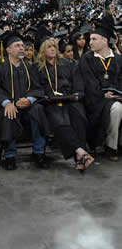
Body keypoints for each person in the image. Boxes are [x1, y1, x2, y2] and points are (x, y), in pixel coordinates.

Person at [0, 31, 49, 170]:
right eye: (17, 46)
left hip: (27, 107)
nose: (22, 48)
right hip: (7, 106)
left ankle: (39, 152)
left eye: (22, 45)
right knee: (8, 113)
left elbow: (37, 87)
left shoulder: (30, 67)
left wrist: (30, 99)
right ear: (8, 50)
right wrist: (7, 102)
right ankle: (10, 155)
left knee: (38, 109)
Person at [35, 36, 93, 172]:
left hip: (69, 99)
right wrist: (45, 97)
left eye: (54, 47)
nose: (52, 49)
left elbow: (77, 82)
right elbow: (35, 87)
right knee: (59, 120)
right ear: (43, 50)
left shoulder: (67, 64)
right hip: (50, 103)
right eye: (49, 47)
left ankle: (79, 158)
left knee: (78, 115)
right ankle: (81, 152)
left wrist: (77, 94)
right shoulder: (37, 68)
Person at [79, 14, 122, 160]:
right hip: (96, 99)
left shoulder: (118, 59)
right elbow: (88, 81)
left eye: (93, 39)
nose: (89, 42)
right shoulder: (87, 58)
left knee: (117, 105)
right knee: (116, 108)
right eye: (90, 39)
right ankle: (112, 147)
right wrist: (102, 94)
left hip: (117, 96)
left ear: (104, 41)